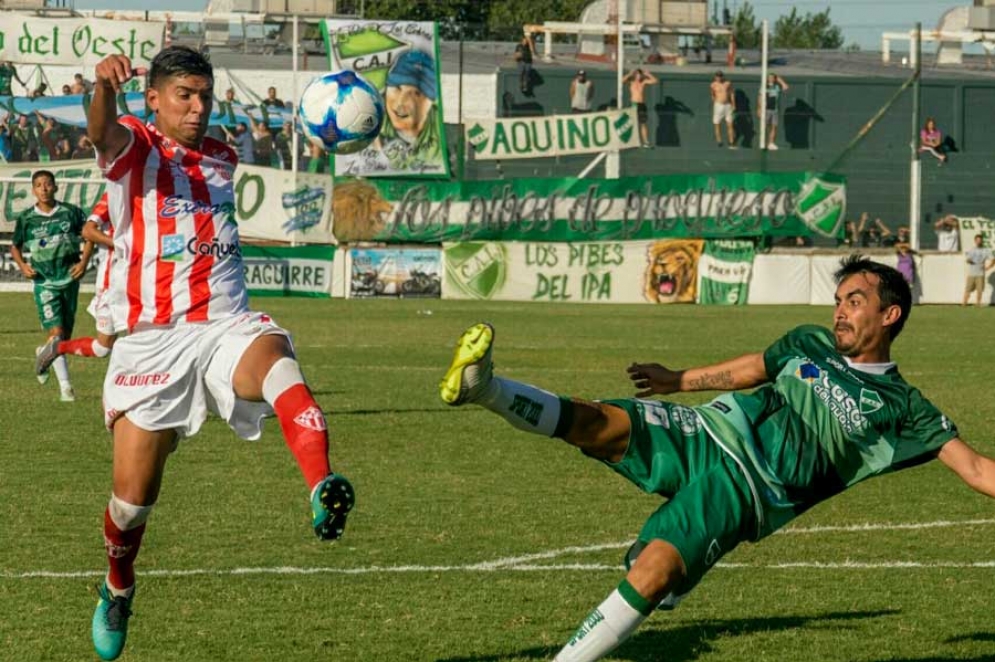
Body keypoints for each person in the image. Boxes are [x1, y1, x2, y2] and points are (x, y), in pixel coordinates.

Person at [439, 254, 995, 662]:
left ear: (890, 315)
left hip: (747, 490)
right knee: (597, 423)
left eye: (855, 301)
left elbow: (974, 469)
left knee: (651, 573)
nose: (841, 312)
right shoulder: (810, 342)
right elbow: (754, 366)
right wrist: (677, 380)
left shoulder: (903, 408)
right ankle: (484, 387)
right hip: (708, 429)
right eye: (839, 300)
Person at [85, 46, 355, 661]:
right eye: (184, 94)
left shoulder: (222, 157)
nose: (198, 107)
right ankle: (118, 584)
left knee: (283, 365)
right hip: (152, 340)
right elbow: (101, 130)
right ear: (153, 98)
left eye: (205, 95)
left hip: (226, 323)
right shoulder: (136, 146)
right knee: (130, 506)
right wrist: (103, 88)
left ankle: (321, 485)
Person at [9, 170, 92, 402]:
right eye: (38, 185)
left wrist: (84, 262)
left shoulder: (71, 213)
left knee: (63, 339)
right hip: (44, 282)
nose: (43, 189)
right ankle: (67, 389)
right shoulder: (27, 218)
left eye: (47, 184)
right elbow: (15, 246)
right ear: (33, 190)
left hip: (69, 279)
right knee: (56, 334)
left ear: (55, 187)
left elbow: (89, 237)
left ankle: (43, 357)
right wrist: (23, 265)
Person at [36, 193, 118, 372]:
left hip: (141, 279)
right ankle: (57, 347)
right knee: (102, 348)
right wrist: (121, 244)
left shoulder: (155, 198)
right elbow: (88, 231)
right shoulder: (114, 194)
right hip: (113, 283)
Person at [377, 50, 443, 170]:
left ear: (431, 102)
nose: (400, 102)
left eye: (416, 93)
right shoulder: (370, 118)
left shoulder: (440, 135)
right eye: (397, 87)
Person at [623, 68, 658, 148]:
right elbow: (622, 81)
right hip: (634, 104)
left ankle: (645, 142)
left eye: (640, 74)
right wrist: (629, 74)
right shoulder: (631, 82)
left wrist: (648, 74)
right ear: (635, 75)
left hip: (641, 104)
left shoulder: (643, 82)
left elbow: (655, 81)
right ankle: (631, 141)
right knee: (632, 123)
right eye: (637, 74)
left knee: (643, 123)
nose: (639, 76)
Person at [963, 233, 994, 307]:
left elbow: (993, 259)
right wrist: (970, 261)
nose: (979, 242)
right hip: (971, 273)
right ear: (975, 241)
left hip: (980, 273)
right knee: (968, 289)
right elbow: (967, 260)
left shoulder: (986, 250)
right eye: (977, 240)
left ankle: (978, 304)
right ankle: (964, 303)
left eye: (980, 240)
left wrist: (988, 267)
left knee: (979, 290)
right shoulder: (972, 250)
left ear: (982, 241)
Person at [759, 73, 788, 150]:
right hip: (766, 110)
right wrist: (759, 108)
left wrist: (778, 79)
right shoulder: (764, 87)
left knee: (774, 127)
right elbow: (760, 98)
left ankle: (771, 143)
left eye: (772, 78)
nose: (771, 79)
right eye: (769, 77)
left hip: (775, 110)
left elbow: (786, 87)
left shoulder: (777, 87)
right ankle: (763, 143)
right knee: (764, 127)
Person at [710, 70, 736, 148]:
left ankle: (731, 142)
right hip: (718, 105)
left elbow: (731, 93)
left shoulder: (728, 83)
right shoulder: (713, 85)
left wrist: (734, 104)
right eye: (717, 76)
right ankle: (719, 141)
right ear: (715, 77)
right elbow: (712, 94)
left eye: (720, 76)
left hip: (727, 105)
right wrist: (715, 102)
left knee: (730, 124)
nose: (719, 78)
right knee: (717, 124)